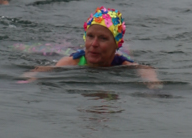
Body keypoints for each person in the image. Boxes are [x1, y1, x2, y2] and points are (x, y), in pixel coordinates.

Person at [24, 7, 160, 85]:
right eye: (90, 36)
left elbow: (146, 69)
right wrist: (29, 77)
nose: (94, 44)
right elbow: (43, 70)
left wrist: (153, 83)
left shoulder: (122, 64)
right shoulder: (71, 62)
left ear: (115, 44)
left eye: (103, 38)